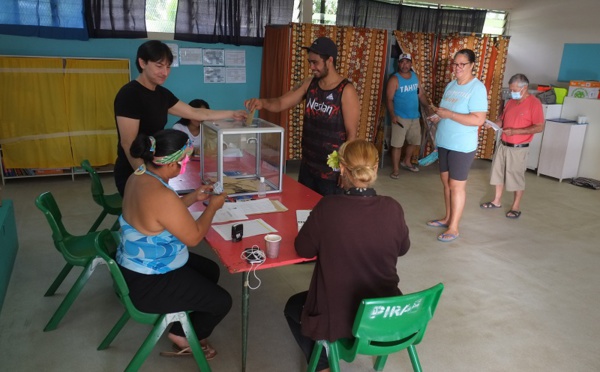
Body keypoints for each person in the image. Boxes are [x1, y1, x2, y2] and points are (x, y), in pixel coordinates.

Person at [283, 139, 410, 371]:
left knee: (293, 306)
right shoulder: (393, 207)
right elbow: (403, 248)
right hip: (384, 314)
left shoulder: (328, 207)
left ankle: (323, 366)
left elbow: (303, 249)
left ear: (341, 168)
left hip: (340, 318)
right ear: (375, 167)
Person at [116, 129, 231, 360]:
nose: (184, 166)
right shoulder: (161, 194)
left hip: (134, 265)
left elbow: (159, 213)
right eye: (184, 162)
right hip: (148, 282)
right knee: (222, 301)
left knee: (210, 270)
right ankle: (182, 336)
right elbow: (194, 237)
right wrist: (212, 207)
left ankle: (183, 323)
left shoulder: (138, 175)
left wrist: (193, 197)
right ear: (170, 165)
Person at [114, 40, 246, 196]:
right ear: (142, 63)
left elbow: (196, 113)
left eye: (168, 66)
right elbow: (128, 142)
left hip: (156, 167)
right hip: (134, 171)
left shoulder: (162, 94)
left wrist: (232, 113)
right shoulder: (129, 94)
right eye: (159, 66)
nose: (165, 72)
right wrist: (146, 177)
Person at [244, 36, 360, 196]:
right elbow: (281, 102)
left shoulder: (346, 91)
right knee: (304, 213)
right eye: (309, 62)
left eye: (315, 62)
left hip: (331, 173)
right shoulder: (310, 84)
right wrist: (261, 103)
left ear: (330, 61)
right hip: (308, 166)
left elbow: (352, 134)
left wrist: (346, 169)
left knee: (328, 216)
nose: (311, 67)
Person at [427, 49, 488, 242]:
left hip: (462, 145)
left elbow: (478, 119)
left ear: (472, 65)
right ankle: (447, 218)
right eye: (455, 64)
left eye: (462, 64)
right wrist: (439, 115)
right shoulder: (451, 85)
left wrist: (450, 115)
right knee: (446, 184)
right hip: (445, 140)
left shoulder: (477, 88)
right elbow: (448, 110)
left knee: (456, 185)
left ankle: (454, 227)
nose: (458, 68)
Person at [480, 73, 544, 219]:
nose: (512, 92)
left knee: (516, 177)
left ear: (524, 88)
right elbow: (502, 119)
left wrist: (515, 131)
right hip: (503, 144)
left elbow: (539, 127)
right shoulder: (510, 102)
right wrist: (495, 124)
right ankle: (496, 201)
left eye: (514, 89)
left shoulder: (534, 103)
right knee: (498, 174)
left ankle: (515, 206)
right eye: (511, 90)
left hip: (518, 148)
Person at [385, 52, 432, 178]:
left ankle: (406, 161)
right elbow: (389, 99)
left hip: (414, 117)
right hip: (400, 117)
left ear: (411, 64)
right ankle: (396, 169)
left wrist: (427, 107)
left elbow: (420, 94)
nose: (405, 65)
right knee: (397, 145)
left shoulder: (415, 77)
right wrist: (392, 115)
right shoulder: (394, 79)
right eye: (402, 62)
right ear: (399, 64)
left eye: (407, 62)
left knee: (414, 141)